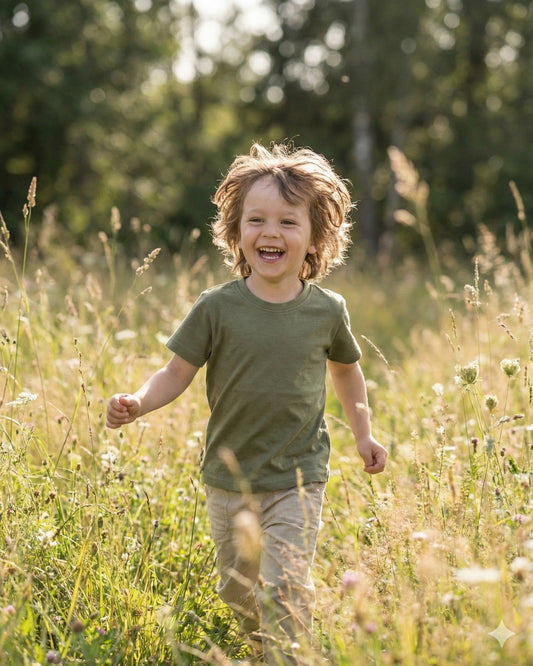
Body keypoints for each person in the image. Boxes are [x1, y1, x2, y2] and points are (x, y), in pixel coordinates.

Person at [106, 142, 387, 664]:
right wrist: (138, 402)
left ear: (314, 237)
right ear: (236, 232)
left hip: (299, 477)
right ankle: (260, 650)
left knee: (284, 584)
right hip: (228, 481)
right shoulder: (217, 307)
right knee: (238, 590)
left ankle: (290, 655)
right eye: (256, 220)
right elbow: (175, 372)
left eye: (287, 221)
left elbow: (347, 371)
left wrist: (363, 434)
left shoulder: (326, 310)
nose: (271, 233)